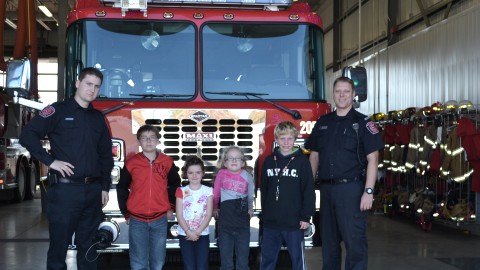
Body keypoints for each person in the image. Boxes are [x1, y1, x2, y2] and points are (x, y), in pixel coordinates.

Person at [19, 67, 114, 270]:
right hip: (65, 192)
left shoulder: (98, 118)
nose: (92, 90)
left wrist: (105, 186)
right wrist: (50, 162)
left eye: (96, 86)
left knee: (88, 248)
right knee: (59, 248)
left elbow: (106, 155)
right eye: (88, 84)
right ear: (78, 84)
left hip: (92, 192)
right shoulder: (57, 111)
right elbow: (27, 135)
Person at [306, 76, 384, 270]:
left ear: (353, 95)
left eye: (346, 91)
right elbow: (314, 158)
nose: (342, 95)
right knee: (329, 245)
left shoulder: (363, 123)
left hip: (351, 191)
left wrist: (368, 191)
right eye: (338, 91)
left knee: (355, 243)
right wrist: (307, 189)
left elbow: (373, 159)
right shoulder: (323, 123)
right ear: (333, 94)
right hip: (326, 191)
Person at [116, 124, 181, 270]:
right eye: (144, 138)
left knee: (158, 261)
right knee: (139, 262)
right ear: (138, 142)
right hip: (137, 219)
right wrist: (126, 213)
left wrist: (171, 207)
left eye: (152, 138)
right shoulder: (132, 163)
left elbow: (176, 184)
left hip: (159, 219)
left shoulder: (167, 162)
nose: (148, 141)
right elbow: (121, 187)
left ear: (158, 140)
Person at [260, 121, 315, 270]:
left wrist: (306, 217)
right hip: (271, 222)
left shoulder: (302, 162)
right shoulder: (269, 161)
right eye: (282, 138)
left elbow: (308, 190)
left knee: (297, 260)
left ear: (295, 139)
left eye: (289, 138)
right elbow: (264, 190)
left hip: (294, 222)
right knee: (267, 260)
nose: (286, 142)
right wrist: (265, 215)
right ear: (276, 139)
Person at [213, 146, 254, 270]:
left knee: (243, 261)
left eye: (237, 158)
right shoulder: (221, 174)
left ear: (243, 162)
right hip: (225, 224)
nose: (234, 161)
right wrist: (214, 207)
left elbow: (250, 194)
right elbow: (216, 193)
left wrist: (250, 208)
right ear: (225, 162)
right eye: (230, 158)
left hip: (242, 225)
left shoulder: (247, 176)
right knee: (226, 262)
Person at [175, 156, 214, 270]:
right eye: (191, 172)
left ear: (203, 173)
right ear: (186, 174)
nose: (194, 176)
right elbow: (179, 214)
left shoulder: (208, 191)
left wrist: (197, 232)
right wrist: (188, 232)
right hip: (185, 234)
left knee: (202, 265)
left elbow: (208, 214)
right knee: (189, 266)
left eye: (198, 172)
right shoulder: (181, 191)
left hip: (202, 234)